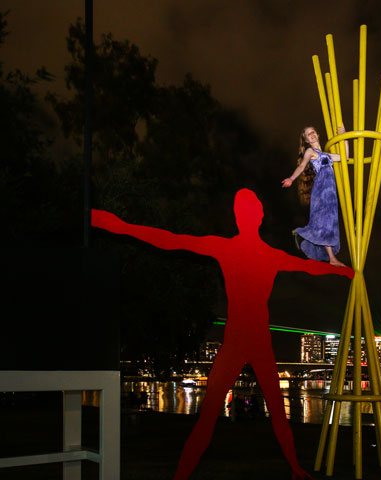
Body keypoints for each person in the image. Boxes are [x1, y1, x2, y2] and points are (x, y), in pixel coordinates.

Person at [91, 189, 354, 480]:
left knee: (227, 415)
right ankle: (290, 467)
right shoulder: (263, 255)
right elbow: (171, 241)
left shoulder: (242, 251)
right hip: (248, 342)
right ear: (259, 216)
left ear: (244, 217)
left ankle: (292, 467)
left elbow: (171, 241)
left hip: (245, 342)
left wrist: (120, 227)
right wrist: (342, 272)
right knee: (265, 412)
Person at [281, 125, 349, 267]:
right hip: (322, 189)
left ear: (317, 134)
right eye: (308, 134)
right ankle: (306, 236)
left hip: (331, 193)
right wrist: (291, 179)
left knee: (330, 223)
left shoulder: (327, 155)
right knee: (323, 221)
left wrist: (344, 137)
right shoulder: (310, 152)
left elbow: (345, 158)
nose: (311, 135)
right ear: (306, 140)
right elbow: (301, 166)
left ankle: (331, 258)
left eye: (313, 132)